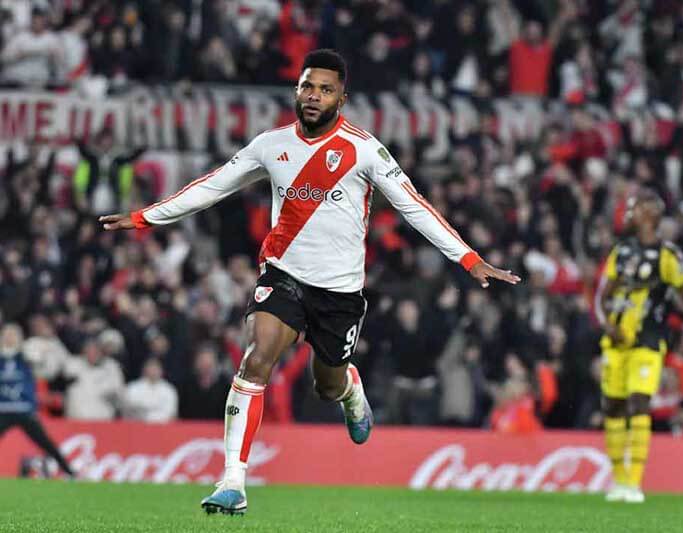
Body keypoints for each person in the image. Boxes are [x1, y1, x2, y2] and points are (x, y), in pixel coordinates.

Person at [99, 49, 520, 515]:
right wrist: (144, 217)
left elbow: (413, 204)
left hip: (338, 294)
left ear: (343, 96)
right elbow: (212, 185)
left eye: (325, 88)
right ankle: (233, 482)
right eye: (307, 86)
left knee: (327, 385)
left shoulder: (364, 149)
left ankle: (349, 388)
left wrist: (467, 258)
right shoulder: (270, 145)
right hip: (283, 277)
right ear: (296, 91)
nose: (313, 96)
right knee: (256, 359)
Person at [595, 189, 683, 504]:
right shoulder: (622, 251)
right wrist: (607, 324)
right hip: (615, 341)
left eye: (635, 208)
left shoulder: (669, 255)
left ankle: (634, 482)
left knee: (638, 401)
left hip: (648, 338)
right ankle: (618, 482)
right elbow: (602, 295)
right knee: (613, 406)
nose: (628, 212)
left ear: (651, 214)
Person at [0, 323, 75, 478]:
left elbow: (47, 372)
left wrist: (48, 351)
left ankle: (70, 472)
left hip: (24, 410)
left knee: (45, 443)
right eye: (6, 334)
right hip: (3, 409)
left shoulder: (27, 357)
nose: (9, 337)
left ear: (19, 338)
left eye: (13, 334)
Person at [122, 357, 178, 423]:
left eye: (156, 368)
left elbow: (171, 413)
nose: (153, 371)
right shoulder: (133, 388)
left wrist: (151, 417)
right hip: (137, 426)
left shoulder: (169, 389)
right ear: (144, 369)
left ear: (161, 371)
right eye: (150, 368)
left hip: (162, 427)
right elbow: (129, 409)